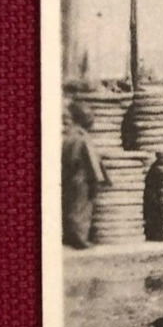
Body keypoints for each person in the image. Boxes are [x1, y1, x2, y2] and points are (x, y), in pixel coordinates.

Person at [62, 102, 106, 249]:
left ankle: (73, 238)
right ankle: (80, 240)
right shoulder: (82, 137)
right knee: (82, 209)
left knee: (72, 207)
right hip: (82, 177)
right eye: (89, 117)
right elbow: (92, 161)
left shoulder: (69, 135)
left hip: (71, 176)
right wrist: (99, 179)